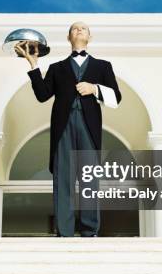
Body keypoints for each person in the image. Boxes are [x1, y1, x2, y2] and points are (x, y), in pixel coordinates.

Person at [15, 21, 122, 237]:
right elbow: (42, 95)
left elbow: (116, 98)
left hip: (88, 126)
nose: (79, 30)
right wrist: (34, 65)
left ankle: (89, 231)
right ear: (68, 38)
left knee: (89, 179)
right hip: (62, 126)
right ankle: (64, 232)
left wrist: (94, 88)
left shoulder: (103, 66)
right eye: (74, 28)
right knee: (63, 178)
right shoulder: (57, 68)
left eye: (83, 28)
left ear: (89, 37)